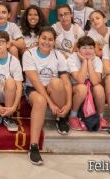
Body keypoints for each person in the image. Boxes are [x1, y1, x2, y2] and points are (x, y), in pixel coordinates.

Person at [22, 26, 71, 166]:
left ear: (54, 42)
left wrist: (68, 104)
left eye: (50, 39)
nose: (46, 42)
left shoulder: (58, 55)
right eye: (44, 38)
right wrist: (50, 102)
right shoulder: (29, 54)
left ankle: (61, 117)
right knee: (40, 100)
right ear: (38, 38)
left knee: (57, 82)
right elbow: (35, 81)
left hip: (52, 88)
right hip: (34, 89)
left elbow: (66, 82)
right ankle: (34, 146)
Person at [67, 36, 108, 131]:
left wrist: (89, 62)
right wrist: (84, 61)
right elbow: (80, 80)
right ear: (78, 49)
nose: (88, 50)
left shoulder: (97, 60)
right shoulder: (72, 59)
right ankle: (73, 116)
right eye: (84, 47)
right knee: (82, 88)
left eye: (91, 48)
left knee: (99, 88)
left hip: (91, 88)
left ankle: (100, 117)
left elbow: (95, 81)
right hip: (75, 89)